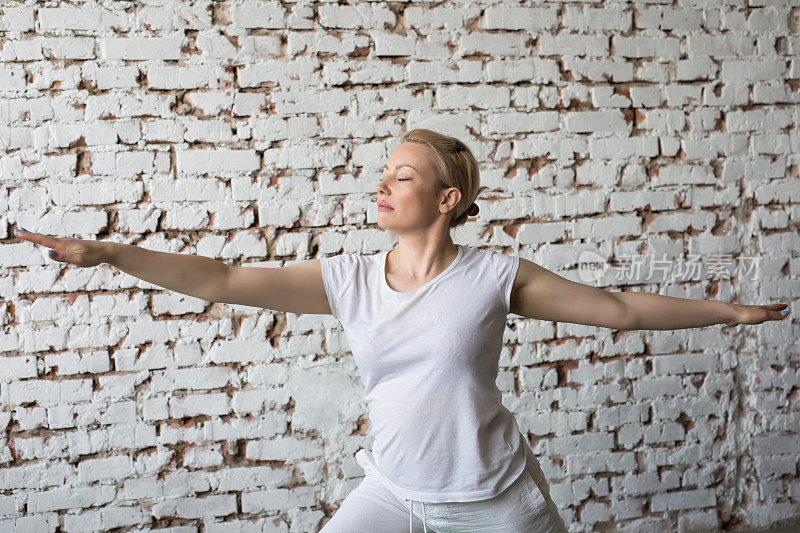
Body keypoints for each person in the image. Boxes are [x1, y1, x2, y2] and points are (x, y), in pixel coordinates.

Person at [13, 129, 789, 533]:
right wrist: (110, 253)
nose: (382, 184)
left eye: (403, 175)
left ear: (449, 199)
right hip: (395, 489)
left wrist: (730, 313)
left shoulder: (493, 276)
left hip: (493, 495)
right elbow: (220, 278)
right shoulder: (348, 278)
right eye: (382, 173)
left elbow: (617, 309)